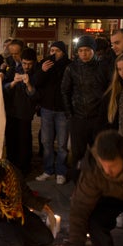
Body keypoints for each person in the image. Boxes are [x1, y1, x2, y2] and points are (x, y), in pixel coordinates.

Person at [61, 35, 111, 177]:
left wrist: (105, 114)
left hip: (98, 118)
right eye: (81, 50)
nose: (84, 53)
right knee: (77, 154)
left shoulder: (103, 67)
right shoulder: (72, 68)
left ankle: (98, 182)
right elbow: (65, 91)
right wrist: (70, 115)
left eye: (87, 50)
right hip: (78, 118)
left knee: (99, 152)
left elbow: (109, 91)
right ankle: (77, 183)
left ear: (93, 50)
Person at [34, 41, 71, 184]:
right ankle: (48, 170)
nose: (54, 53)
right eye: (52, 50)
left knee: (62, 144)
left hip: (62, 110)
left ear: (63, 52)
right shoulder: (45, 63)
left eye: (57, 50)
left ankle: (61, 171)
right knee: (46, 141)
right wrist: (42, 70)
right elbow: (36, 82)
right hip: (47, 109)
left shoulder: (69, 65)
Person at [2, 48, 38, 176]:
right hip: (11, 110)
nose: (26, 66)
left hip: (25, 113)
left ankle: (24, 167)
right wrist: (13, 82)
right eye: (24, 63)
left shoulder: (37, 73)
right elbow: (4, 88)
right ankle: (11, 166)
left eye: (29, 64)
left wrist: (28, 84)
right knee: (11, 139)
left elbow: (34, 96)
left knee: (24, 140)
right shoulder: (13, 70)